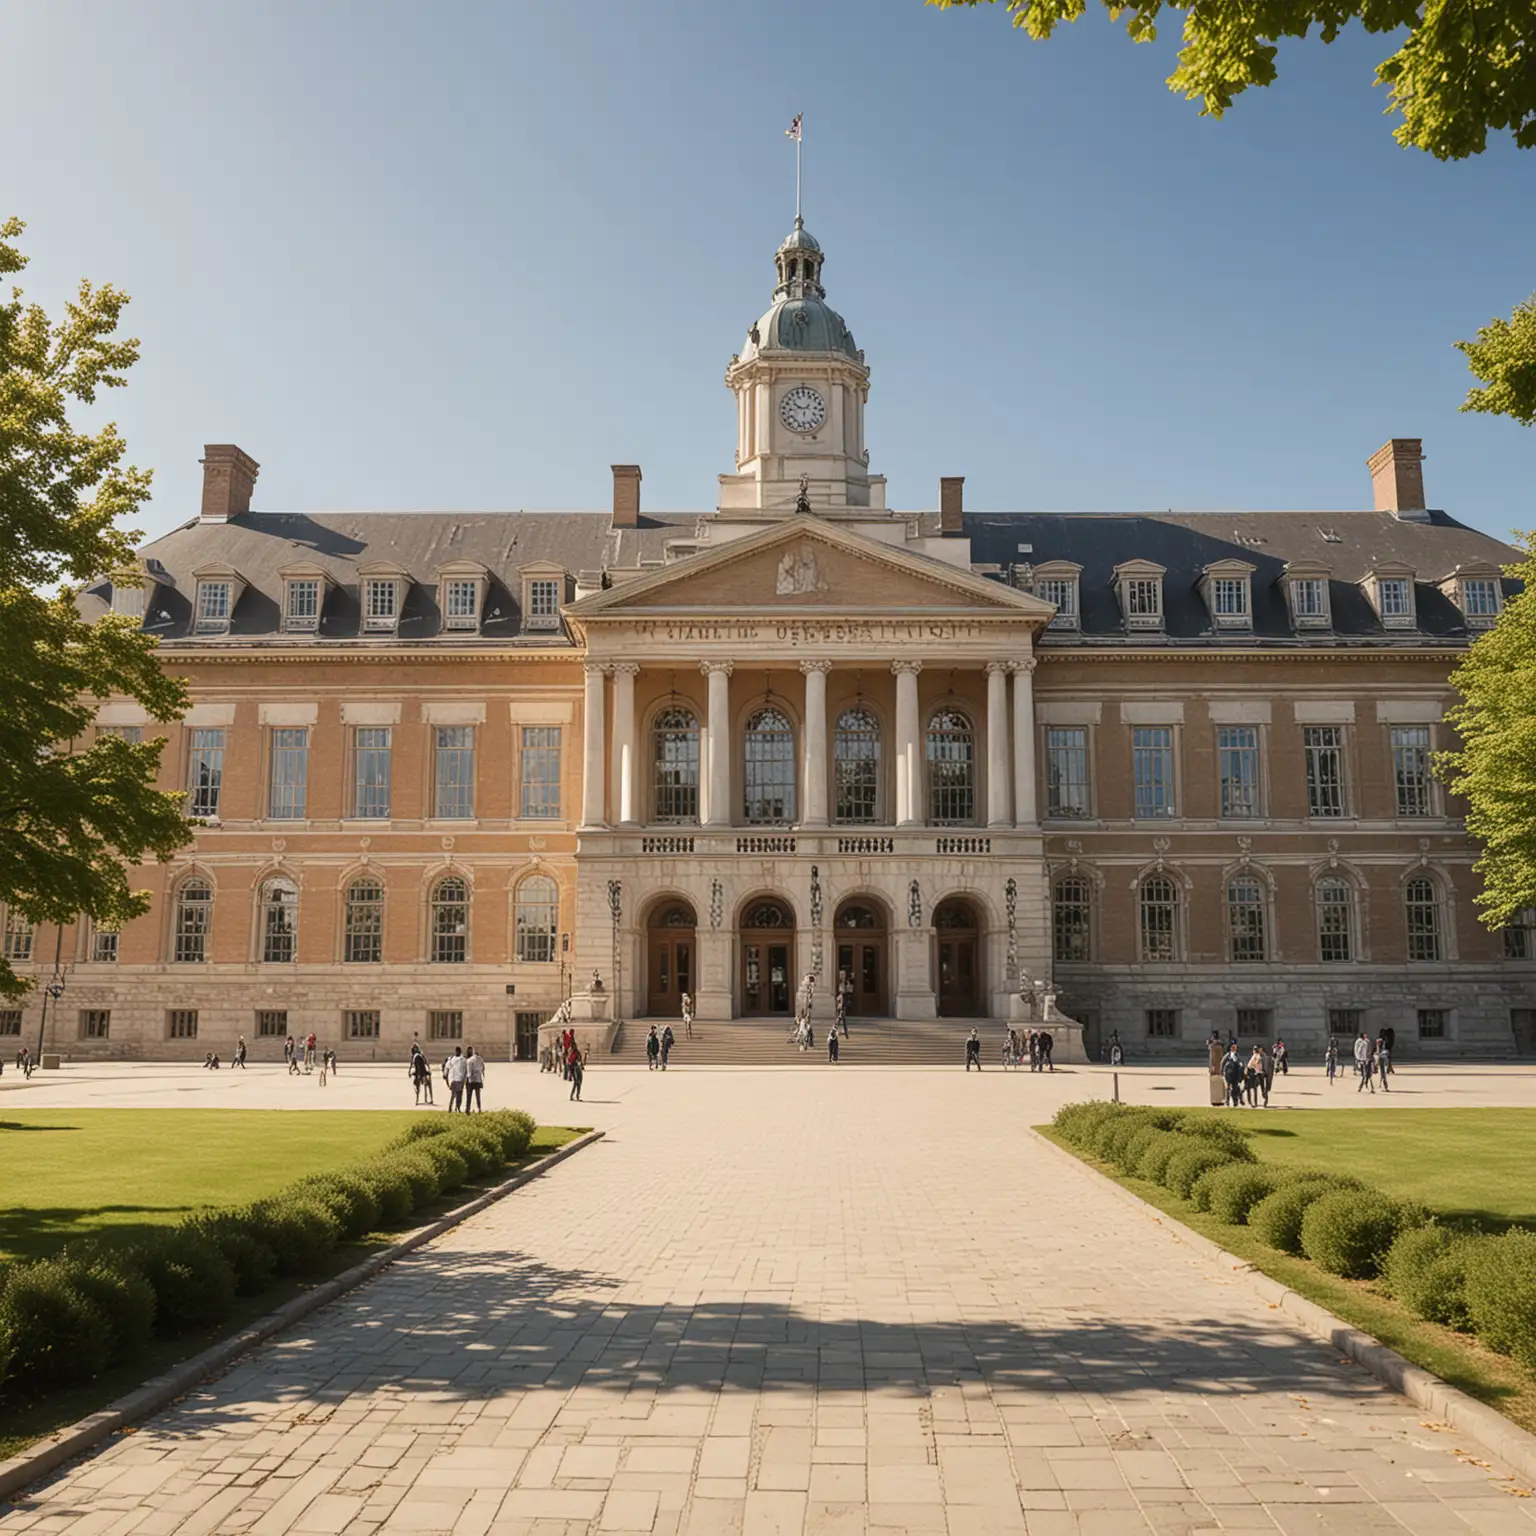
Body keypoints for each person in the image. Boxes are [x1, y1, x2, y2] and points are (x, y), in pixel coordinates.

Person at [445, 1045, 468, 1111]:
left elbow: (465, 1070)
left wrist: (464, 1079)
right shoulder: (452, 1059)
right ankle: (451, 1108)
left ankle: (457, 1108)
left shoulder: (463, 1060)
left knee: (459, 1096)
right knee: (454, 1095)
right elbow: (448, 1069)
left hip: (459, 1079)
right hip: (454, 1080)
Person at [465, 1046, 484, 1111]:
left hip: (470, 1080)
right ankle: (479, 1108)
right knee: (478, 1096)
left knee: (469, 1096)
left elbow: (468, 1071)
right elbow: (483, 1068)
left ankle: (468, 1109)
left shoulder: (468, 1060)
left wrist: (469, 1079)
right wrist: (482, 1076)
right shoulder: (480, 1059)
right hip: (478, 1080)